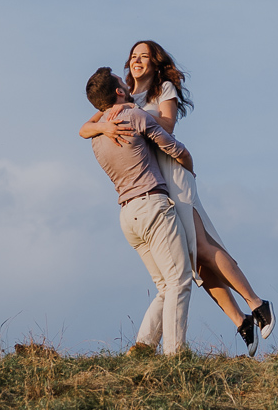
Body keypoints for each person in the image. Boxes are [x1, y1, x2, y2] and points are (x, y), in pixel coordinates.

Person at [82, 40, 274, 355]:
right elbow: (84, 128)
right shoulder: (123, 100)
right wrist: (105, 127)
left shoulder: (160, 91)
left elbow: (168, 125)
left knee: (199, 248)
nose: (136, 60)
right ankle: (240, 320)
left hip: (171, 173)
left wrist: (131, 114)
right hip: (151, 182)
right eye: (133, 56)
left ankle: (256, 303)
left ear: (156, 63)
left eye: (144, 56)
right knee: (190, 265)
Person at [82, 66, 196, 356]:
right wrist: (189, 165)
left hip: (127, 215)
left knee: (163, 286)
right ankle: (174, 354)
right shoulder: (133, 115)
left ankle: (144, 346)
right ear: (120, 91)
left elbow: (88, 126)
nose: (127, 81)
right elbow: (171, 146)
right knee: (179, 281)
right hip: (152, 205)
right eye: (123, 81)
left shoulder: (96, 138)